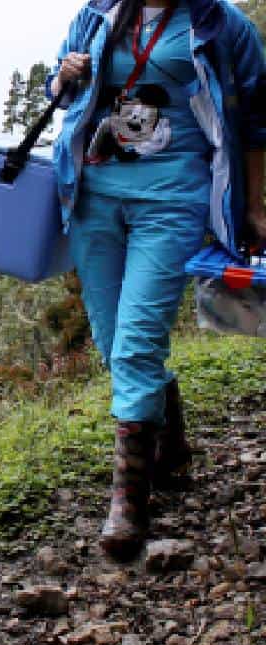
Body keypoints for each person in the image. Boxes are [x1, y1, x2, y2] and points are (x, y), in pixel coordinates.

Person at [47, 0, 266, 561]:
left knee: (138, 340)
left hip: (174, 196)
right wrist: (64, 76)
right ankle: (170, 449)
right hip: (94, 196)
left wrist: (257, 206)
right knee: (110, 342)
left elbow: (257, 119)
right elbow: (59, 91)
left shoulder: (222, 25)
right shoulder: (98, 15)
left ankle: (129, 503)